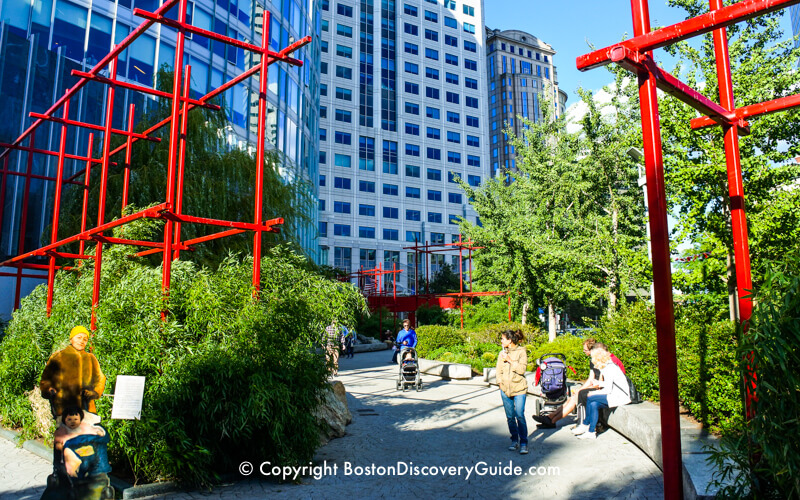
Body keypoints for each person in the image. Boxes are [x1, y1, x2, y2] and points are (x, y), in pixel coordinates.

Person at [40, 325, 106, 419]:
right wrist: (49, 390)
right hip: (63, 407)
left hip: (86, 407)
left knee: (86, 432)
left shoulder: (91, 359)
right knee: (67, 432)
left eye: (85, 339)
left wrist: (94, 392)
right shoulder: (58, 356)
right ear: (71, 339)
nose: (81, 341)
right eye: (78, 337)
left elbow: (100, 378)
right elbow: (46, 378)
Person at [532, 338, 599, 429]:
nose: (584, 351)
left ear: (592, 350)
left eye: (585, 350)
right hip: (593, 385)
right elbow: (591, 378)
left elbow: (596, 380)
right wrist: (580, 389)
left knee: (574, 399)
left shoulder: (599, 360)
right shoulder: (592, 360)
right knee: (570, 399)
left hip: (599, 387)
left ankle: (551, 420)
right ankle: (550, 417)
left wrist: (580, 389)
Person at [573, 346, 631, 439]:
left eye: (593, 358)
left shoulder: (609, 368)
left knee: (590, 397)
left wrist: (594, 393)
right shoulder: (607, 366)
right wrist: (599, 383)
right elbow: (610, 384)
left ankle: (585, 424)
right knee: (594, 404)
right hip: (615, 394)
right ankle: (591, 432)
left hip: (620, 396)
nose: (592, 360)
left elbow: (608, 390)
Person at [496, 329, 529, 455]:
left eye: (503, 339)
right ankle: (514, 439)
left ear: (510, 341)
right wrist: (500, 384)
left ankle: (524, 442)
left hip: (519, 388)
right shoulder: (501, 353)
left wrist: (510, 360)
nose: (501, 341)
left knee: (519, 415)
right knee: (510, 417)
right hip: (505, 389)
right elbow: (498, 370)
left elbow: (521, 370)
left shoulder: (521, 352)